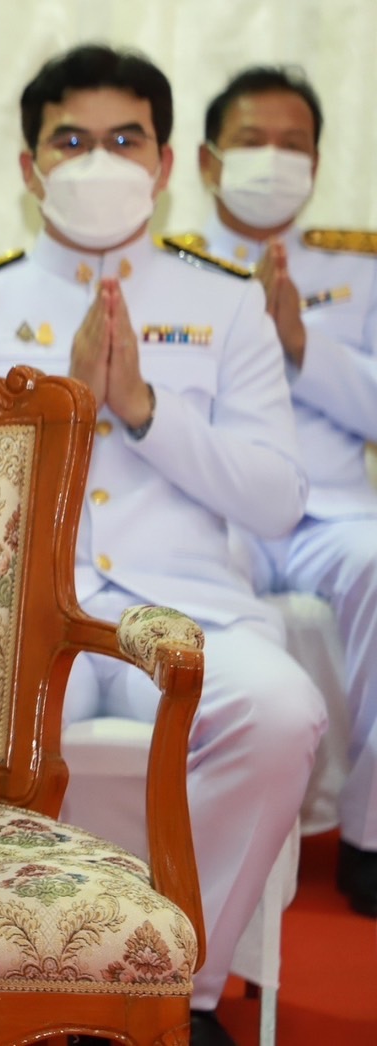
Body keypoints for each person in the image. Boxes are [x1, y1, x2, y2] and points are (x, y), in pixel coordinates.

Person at [0, 45, 327, 1046]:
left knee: (282, 712)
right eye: (70, 139)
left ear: (165, 161)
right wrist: (51, 415)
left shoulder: (224, 300)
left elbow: (276, 499)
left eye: (122, 139)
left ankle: (173, 984)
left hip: (173, 611)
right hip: (6, 625)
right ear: (27, 166)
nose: (96, 160)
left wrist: (139, 409)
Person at [183, 67, 377, 918]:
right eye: (252, 143)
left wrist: (302, 345)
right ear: (207, 160)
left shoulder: (359, 264)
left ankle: (369, 834)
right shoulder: (168, 266)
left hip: (329, 509)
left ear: (318, 161)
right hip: (217, 507)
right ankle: (188, 855)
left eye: (291, 146)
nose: (272, 161)